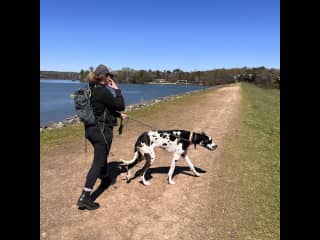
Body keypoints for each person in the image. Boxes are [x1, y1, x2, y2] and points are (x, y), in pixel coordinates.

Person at [77, 64, 128, 210]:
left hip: (91, 130)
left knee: (102, 155)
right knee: (98, 163)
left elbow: (103, 108)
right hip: (102, 132)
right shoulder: (103, 91)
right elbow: (120, 104)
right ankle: (85, 197)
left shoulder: (92, 89)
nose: (111, 78)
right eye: (109, 76)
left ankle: (105, 178)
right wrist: (117, 90)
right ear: (104, 77)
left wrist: (118, 115)